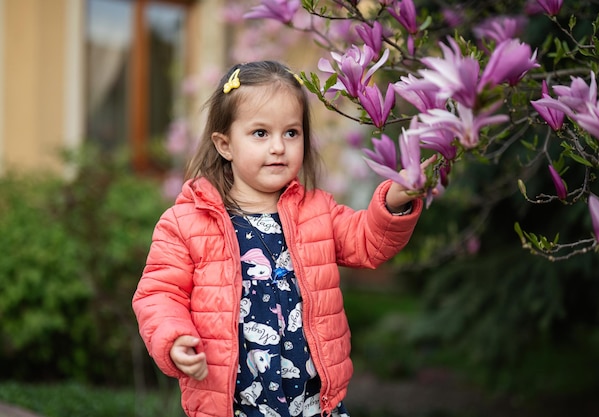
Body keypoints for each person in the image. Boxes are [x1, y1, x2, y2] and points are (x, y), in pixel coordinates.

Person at [132, 60, 430, 417]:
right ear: (225, 144)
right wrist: (175, 338)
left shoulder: (317, 211)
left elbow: (367, 241)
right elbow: (159, 294)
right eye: (260, 133)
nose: (278, 147)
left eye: (291, 133)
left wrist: (393, 204)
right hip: (235, 406)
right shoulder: (187, 222)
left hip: (314, 404)